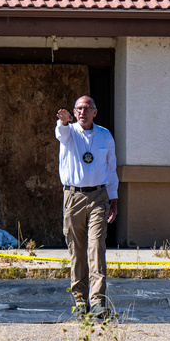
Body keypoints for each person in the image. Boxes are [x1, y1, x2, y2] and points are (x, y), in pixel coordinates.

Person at [55, 95, 119, 319]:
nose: (82, 112)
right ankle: (81, 301)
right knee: (77, 250)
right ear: (74, 112)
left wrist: (114, 198)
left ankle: (98, 301)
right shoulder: (69, 132)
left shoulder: (104, 135)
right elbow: (61, 133)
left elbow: (111, 168)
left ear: (95, 112)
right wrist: (63, 122)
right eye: (78, 109)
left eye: (87, 108)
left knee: (96, 247)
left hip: (99, 197)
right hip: (73, 197)